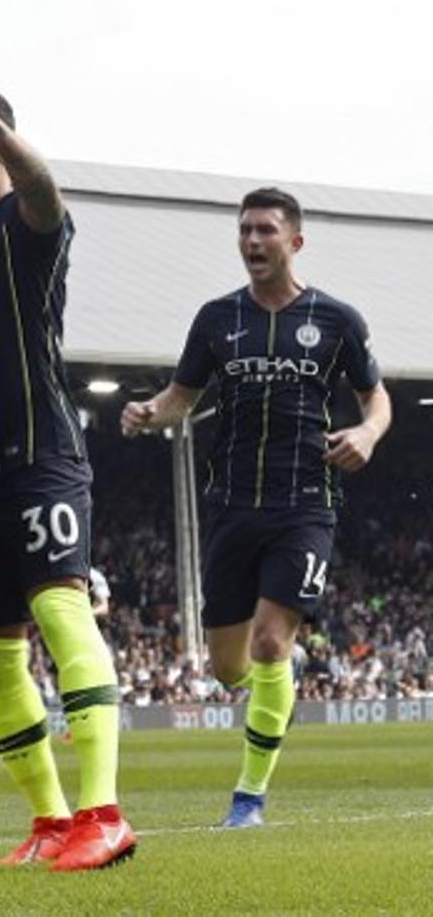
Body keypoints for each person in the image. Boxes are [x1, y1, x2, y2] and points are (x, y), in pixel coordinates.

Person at [121, 186, 389, 827]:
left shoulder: (336, 320)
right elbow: (180, 397)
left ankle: (248, 799)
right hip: (231, 506)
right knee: (227, 665)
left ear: (294, 242)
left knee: (270, 642)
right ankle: (281, 677)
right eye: (245, 230)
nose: (252, 241)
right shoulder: (216, 319)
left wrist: (368, 433)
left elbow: (377, 399)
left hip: (305, 504)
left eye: (266, 230)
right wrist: (149, 412)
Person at [0, 78, 133, 871]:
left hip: (39, 456)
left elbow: (45, 188)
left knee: (61, 611)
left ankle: (104, 813)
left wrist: (0, 131)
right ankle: (50, 819)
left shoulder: (28, 220)